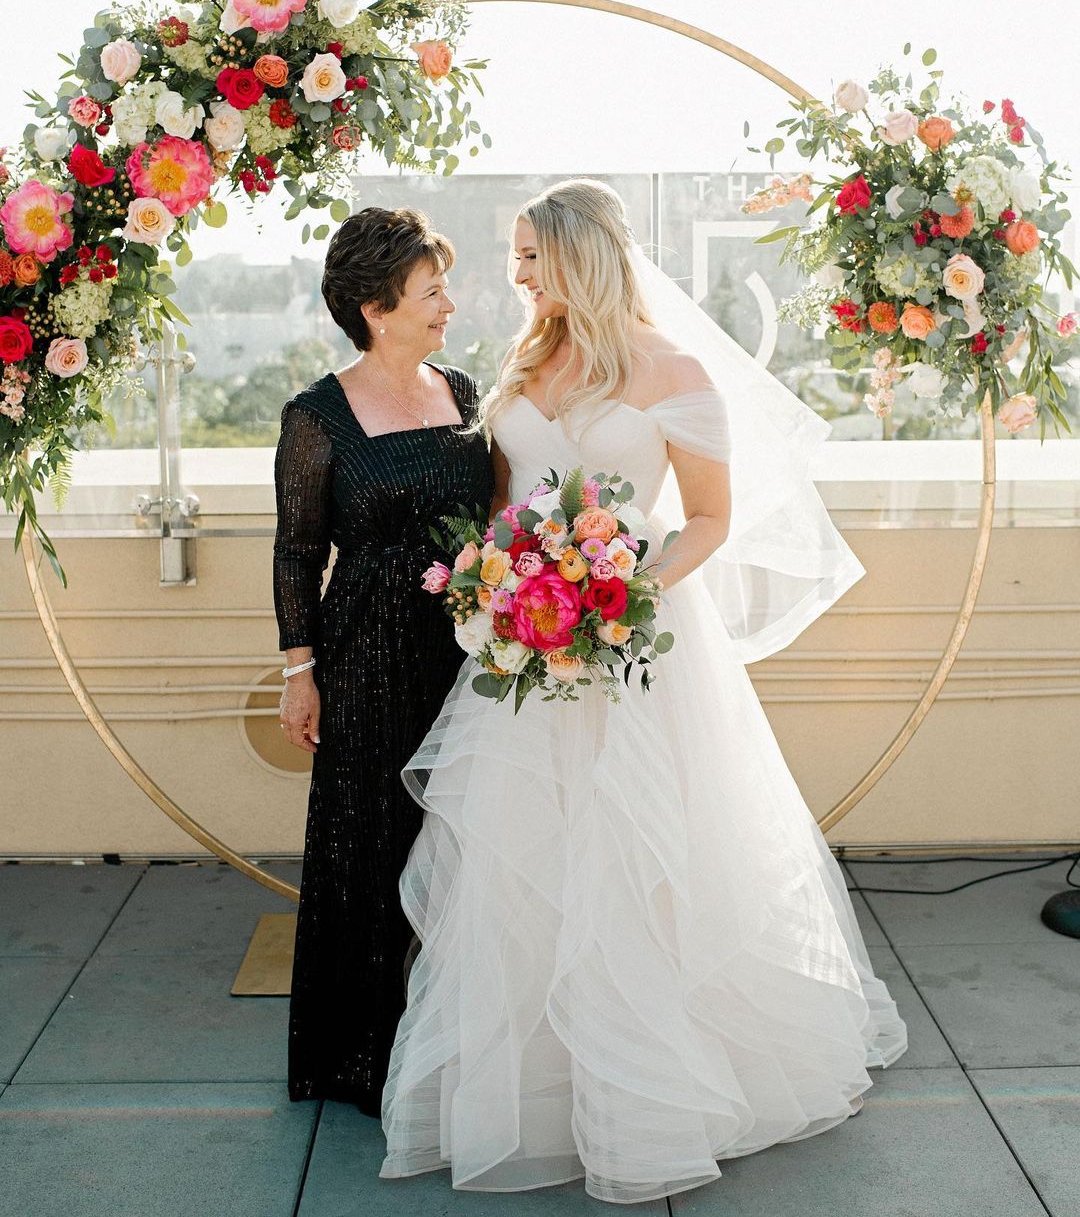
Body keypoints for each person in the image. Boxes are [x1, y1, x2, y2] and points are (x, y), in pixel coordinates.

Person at [379, 180, 907, 1203]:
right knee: (526, 860)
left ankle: (661, 1088)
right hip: (528, 655)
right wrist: (502, 586)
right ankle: (541, 1088)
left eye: (530, 255)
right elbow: (505, 506)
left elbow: (708, 516)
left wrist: (617, 593)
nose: (516, 274)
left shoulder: (675, 369)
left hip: (640, 649)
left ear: (579, 255)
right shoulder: (527, 359)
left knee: (648, 853)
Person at [273, 206, 494, 1115]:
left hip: (472, 652)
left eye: (443, 285)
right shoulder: (316, 415)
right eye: (429, 289)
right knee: (367, 848)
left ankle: (459, 1045)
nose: (448, 301)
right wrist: (300, 670)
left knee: (465, 842)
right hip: (364, 655)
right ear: (375, 307)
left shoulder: (470, 392)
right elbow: (296, 551)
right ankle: (355, 1056)